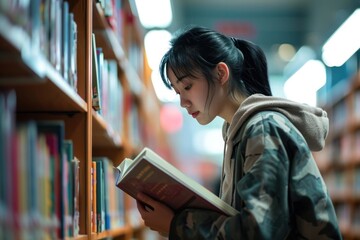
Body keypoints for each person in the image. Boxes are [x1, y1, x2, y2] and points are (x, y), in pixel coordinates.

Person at [136, 25, 342, 239]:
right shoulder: (239, 132)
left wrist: (176, 224)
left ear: (221, 73)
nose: (182, 102)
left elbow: (259, 231)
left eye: (187, 87)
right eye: (178, 92)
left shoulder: (262, 128)